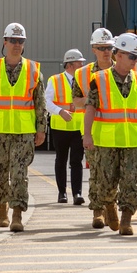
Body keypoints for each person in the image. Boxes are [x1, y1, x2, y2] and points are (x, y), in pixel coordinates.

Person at [0, 22, 46, 233]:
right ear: (5, 42)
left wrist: (41, 128)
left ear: (24, 44)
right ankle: (2, 207)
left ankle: (16, 213)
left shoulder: (34, 70)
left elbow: (39, 102)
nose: (16, 45)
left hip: (23, 132)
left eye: (20, 41)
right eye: (12, 40)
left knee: (19, 173)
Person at [83, 32, 137, 236]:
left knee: (129, 181)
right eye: (132, 57)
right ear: (119, 55)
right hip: (106, 140)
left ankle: (126, 219)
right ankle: (108, 206)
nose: (136, 61)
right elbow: (90, 108)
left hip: (133, 141)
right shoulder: (99, 79)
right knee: (106, 182)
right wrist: (87, 135)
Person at [73, 26, 116, 229]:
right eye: (101, 47)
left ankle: (111, 207)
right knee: (97, 172)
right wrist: (93, 100)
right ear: (93, 49)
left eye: (109, 47)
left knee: (115, 172)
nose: (106, 51)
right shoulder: (82, 74)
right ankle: (98, 211)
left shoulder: (124, 70)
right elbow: (76, 102)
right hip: (94, 130)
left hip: (118, 129)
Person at [46, 48, 87, 205]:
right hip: (60, 127)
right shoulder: (55, 80)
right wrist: (59, 111)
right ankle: (62, 192)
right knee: (61, 160)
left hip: (78, 127)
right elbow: (47, 102)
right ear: (70, 64)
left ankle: (77, 193)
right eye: (79, 62)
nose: (82, 65)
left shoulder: (84, 81)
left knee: (77, 161)